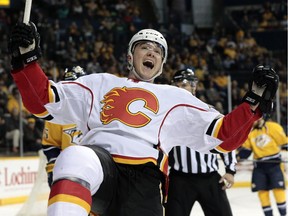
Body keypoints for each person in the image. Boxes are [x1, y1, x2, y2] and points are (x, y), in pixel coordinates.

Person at [8, 22, 278, 216]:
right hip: (101, 166)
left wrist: (252, 103)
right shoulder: (99, 83)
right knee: (74, 156)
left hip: (144, 178)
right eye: (144, 48)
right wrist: (27, 61)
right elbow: (43, 101)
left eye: (157, 52)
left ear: (161, 64)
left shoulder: (176, 96)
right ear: (129, 56)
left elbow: (224, 137)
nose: (151, 53)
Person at [166, 68, 236, 216]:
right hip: (180, 180)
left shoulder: (208, 112)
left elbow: (226, 138)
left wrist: (230, 171)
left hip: (210, 179)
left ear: (194, 86)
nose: (180, 89)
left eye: (184, 85)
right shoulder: (167, 115)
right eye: (177, 86)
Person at [42, 66, 86, 187]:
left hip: (95, 168)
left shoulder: (99, 108)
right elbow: (50, 144)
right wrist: (53, 169)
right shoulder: (56, 113)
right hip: (68, 171)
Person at [237, 118, 287, 216]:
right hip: (259, 166)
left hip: (274, 164)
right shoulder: (250, 132)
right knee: (262, 193)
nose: (252, 122)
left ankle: (283, 214)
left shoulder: (273, 127)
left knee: (278, 191)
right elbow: (246, 150)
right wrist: (237, 157)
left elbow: (284, 143)